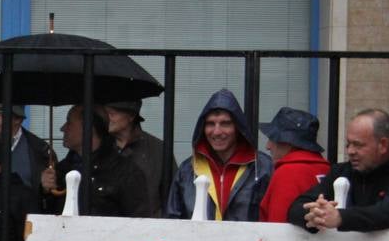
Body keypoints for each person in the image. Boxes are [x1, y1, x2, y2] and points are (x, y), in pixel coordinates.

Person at [288, 108, 389, 232]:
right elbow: (296, 208)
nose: (350, 151)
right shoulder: (340, 172)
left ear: (383, 145)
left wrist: (341, 218)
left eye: (358, 145)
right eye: (348, 144)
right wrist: (314, 214)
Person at [165, 89, 271, 221]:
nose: (216, 132)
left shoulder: (262, 168)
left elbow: (272, 220)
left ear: (238, 128)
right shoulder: (188, 169)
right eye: (210, 124)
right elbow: (173, 221)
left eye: (225, 123)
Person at [41, 104, 150, 217]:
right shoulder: (61, 170)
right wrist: (45, 191)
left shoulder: (125, 172)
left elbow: (139, 222)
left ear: (88, 127)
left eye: (69, 122)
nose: (63, 128)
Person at [101, 99, 174, 218]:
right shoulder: (99, 146)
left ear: (131, 116)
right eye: (104, 113)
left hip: (149, 230)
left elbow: (172, 198)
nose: (106, 118)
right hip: (106, 228)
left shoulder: (158, 150)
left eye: (111, 113)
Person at [258, 107, 329, 223]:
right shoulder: (327, 169)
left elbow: (277, 228)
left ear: (288, 142)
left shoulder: (287, 173)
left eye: (272, 139)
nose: (268, 146)